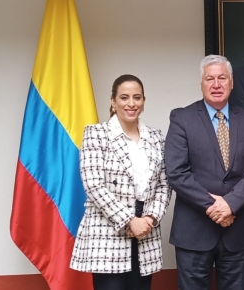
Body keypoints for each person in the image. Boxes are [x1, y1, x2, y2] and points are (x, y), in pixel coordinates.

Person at [165, 54, 244, 290]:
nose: (216, 84)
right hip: (193, 231)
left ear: (231, 82)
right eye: (209, 79)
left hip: (238, 231)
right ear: (201, 83)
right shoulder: (182, 118)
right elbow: (176, 172)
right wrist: (216, 207)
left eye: (222, 78)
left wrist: (230, 204)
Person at [70, 74, 171, 290]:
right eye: (124, 97)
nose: (131, 103)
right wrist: (129, 220)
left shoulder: (156, 137)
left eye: (137, 97)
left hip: (146, 229)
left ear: (144, 101)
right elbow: (94, 185)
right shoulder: (96, 134)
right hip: (108, 231)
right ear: (113, 102)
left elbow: (164, 185)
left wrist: (150, 218)